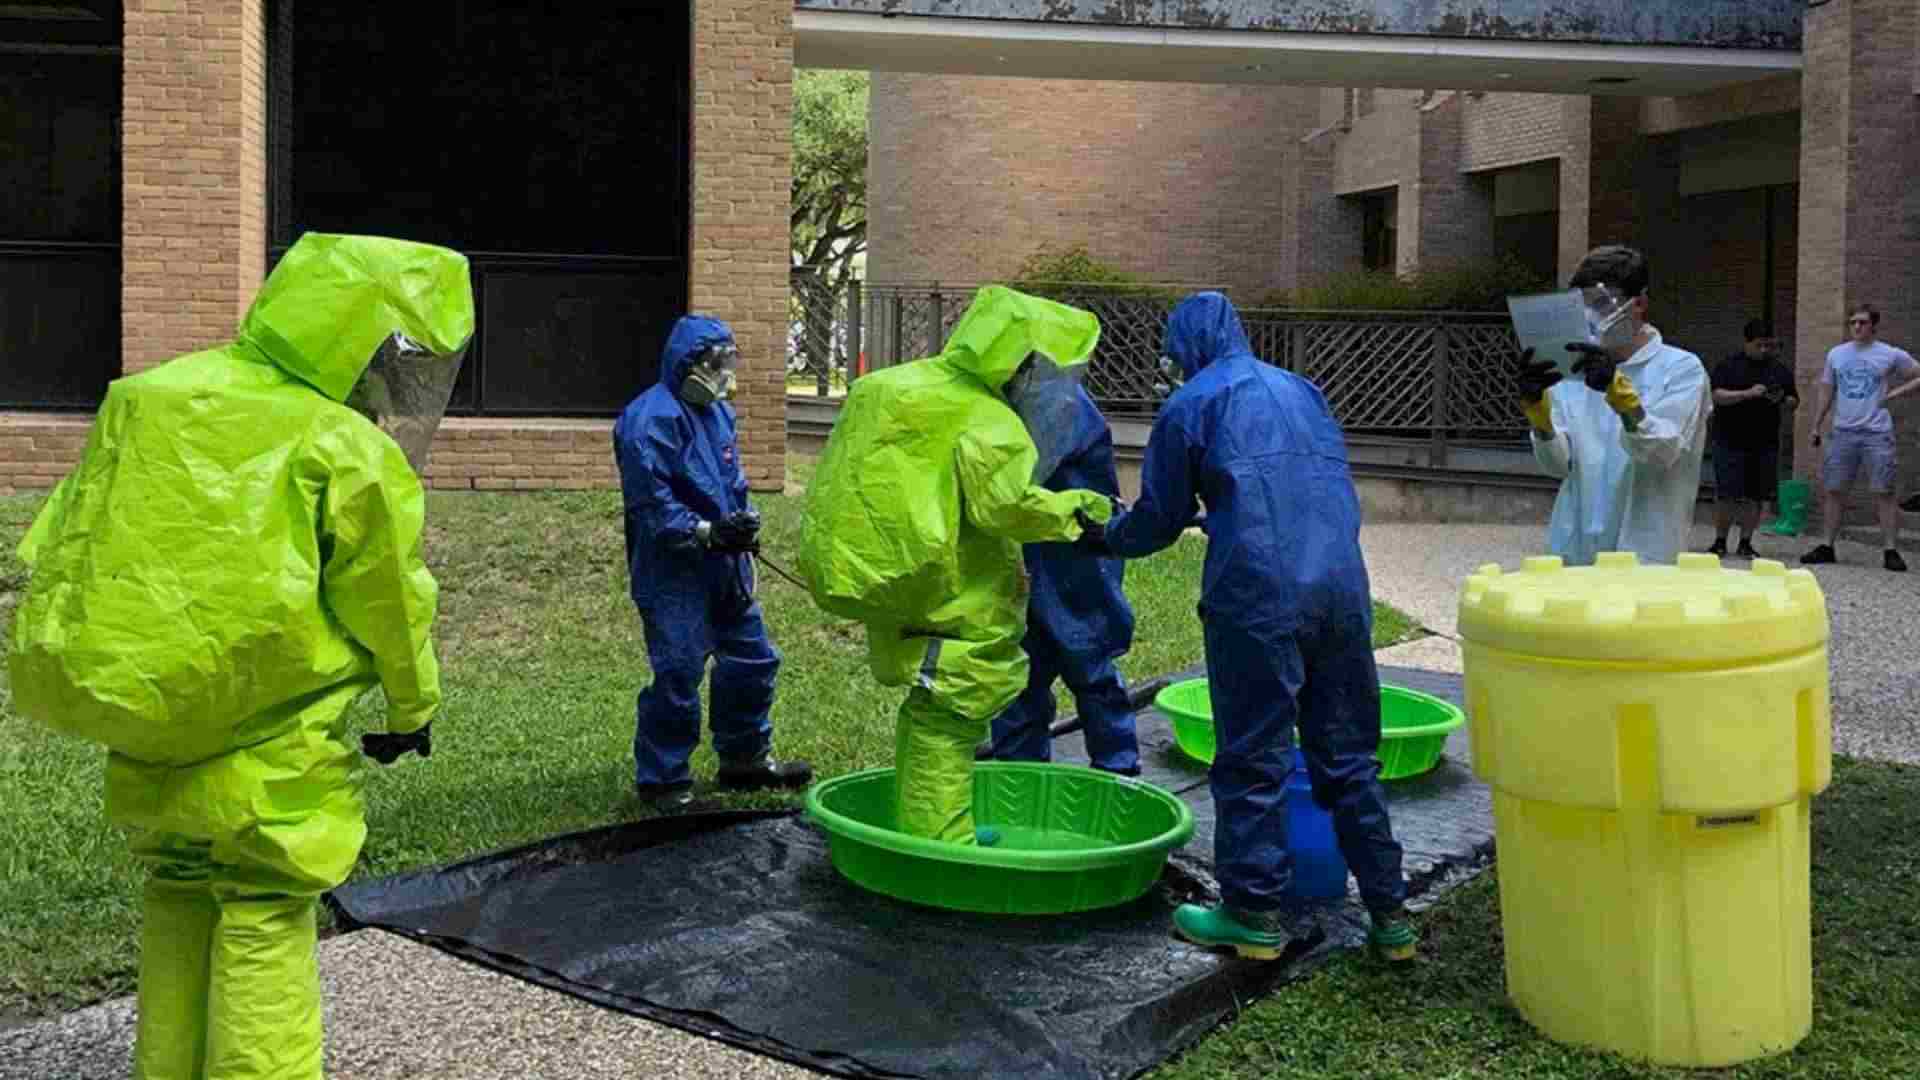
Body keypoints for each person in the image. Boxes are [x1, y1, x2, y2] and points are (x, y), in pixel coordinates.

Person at [9, 232, 472, 1080]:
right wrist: (412, 708)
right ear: (367, 341)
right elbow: (392, 602)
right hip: (274, 736)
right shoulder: (345, 447)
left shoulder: (148, 397)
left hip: (149, 718)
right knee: (262, 908)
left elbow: (61, 542)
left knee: (177, 889)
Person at [1101, 291, 1415, 965]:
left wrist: (1103, 534)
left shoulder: (1191, 404)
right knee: (1350, 755)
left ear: (1185, 345)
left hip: (1258, 595)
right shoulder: (1303, 390)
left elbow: (1157, 519)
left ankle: (1250, 914)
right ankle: (1391, 915)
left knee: (1254, 755)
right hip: (1342, 588)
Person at [799, 285, 1115, 845]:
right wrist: (1081, 511)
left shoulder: (900, 386)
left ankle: (929, 821)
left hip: (898, 583)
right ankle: (943, 845)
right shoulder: (988, 421)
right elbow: (1008, 506)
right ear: (1022, 364)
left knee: (924, 713)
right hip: (955, 592)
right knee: (948, 723)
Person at [615, 315, 811, 811]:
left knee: (753, 659)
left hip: (725, 565)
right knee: (679, 671)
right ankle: (663, 780)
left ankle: (744, 759)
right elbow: (651, 504)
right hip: (674, 572)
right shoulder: (647, 421)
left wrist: (742, 519)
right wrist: (703, 531)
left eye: (729, 361)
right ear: (689, 363)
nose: (726, 373)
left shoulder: (719, 414)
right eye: (716, 363)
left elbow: (731, 478)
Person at [1514, 245, 1712, 566]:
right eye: (1583, 305)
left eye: (1603, 304)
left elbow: (1661, 452)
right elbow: (1557, 466)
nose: (1592, 316)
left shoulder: (1681, 369)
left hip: (1646, 552)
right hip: (1576, 551)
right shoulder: (1571, 374)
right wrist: (1539, 416)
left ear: (1640, 304)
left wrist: (1619, 394)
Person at [986, 382, 1141, 776]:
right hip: (1028, 563)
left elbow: (1020, 478)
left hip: (1074, 563)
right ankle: (1020, 784)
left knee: (1091, 670)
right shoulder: (1018, 402)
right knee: (1020, 677)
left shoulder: (1061, 405)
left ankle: (1118, 780)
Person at [1802, 303, 1920, 572]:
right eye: (1853, 322)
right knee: (1834, 489)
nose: (1856, 327)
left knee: (1884, 491)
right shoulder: (1837, 355)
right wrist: (1816, 424)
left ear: (1873, 326)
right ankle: (1827, 546)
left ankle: (1890, 549)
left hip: (1876, 432)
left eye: (1862, 323)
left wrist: (1894, 395)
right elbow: (1827, 389)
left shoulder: (1888, 354)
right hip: (1843, 431)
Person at [1706, 319, 1798, 558]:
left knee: (1755, 496)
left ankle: (1746, 542)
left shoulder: (1778, 369)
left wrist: (1781, 399)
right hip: (1729, 439)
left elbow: (1793, 401)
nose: (1764, 350)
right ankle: (1720, 540)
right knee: (1727, 494)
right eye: (1759, 345)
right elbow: (1716, 396)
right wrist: (1748, 394)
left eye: (1768, 345)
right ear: (1747, 343)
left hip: (1764, 442)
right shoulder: (1728, 366)